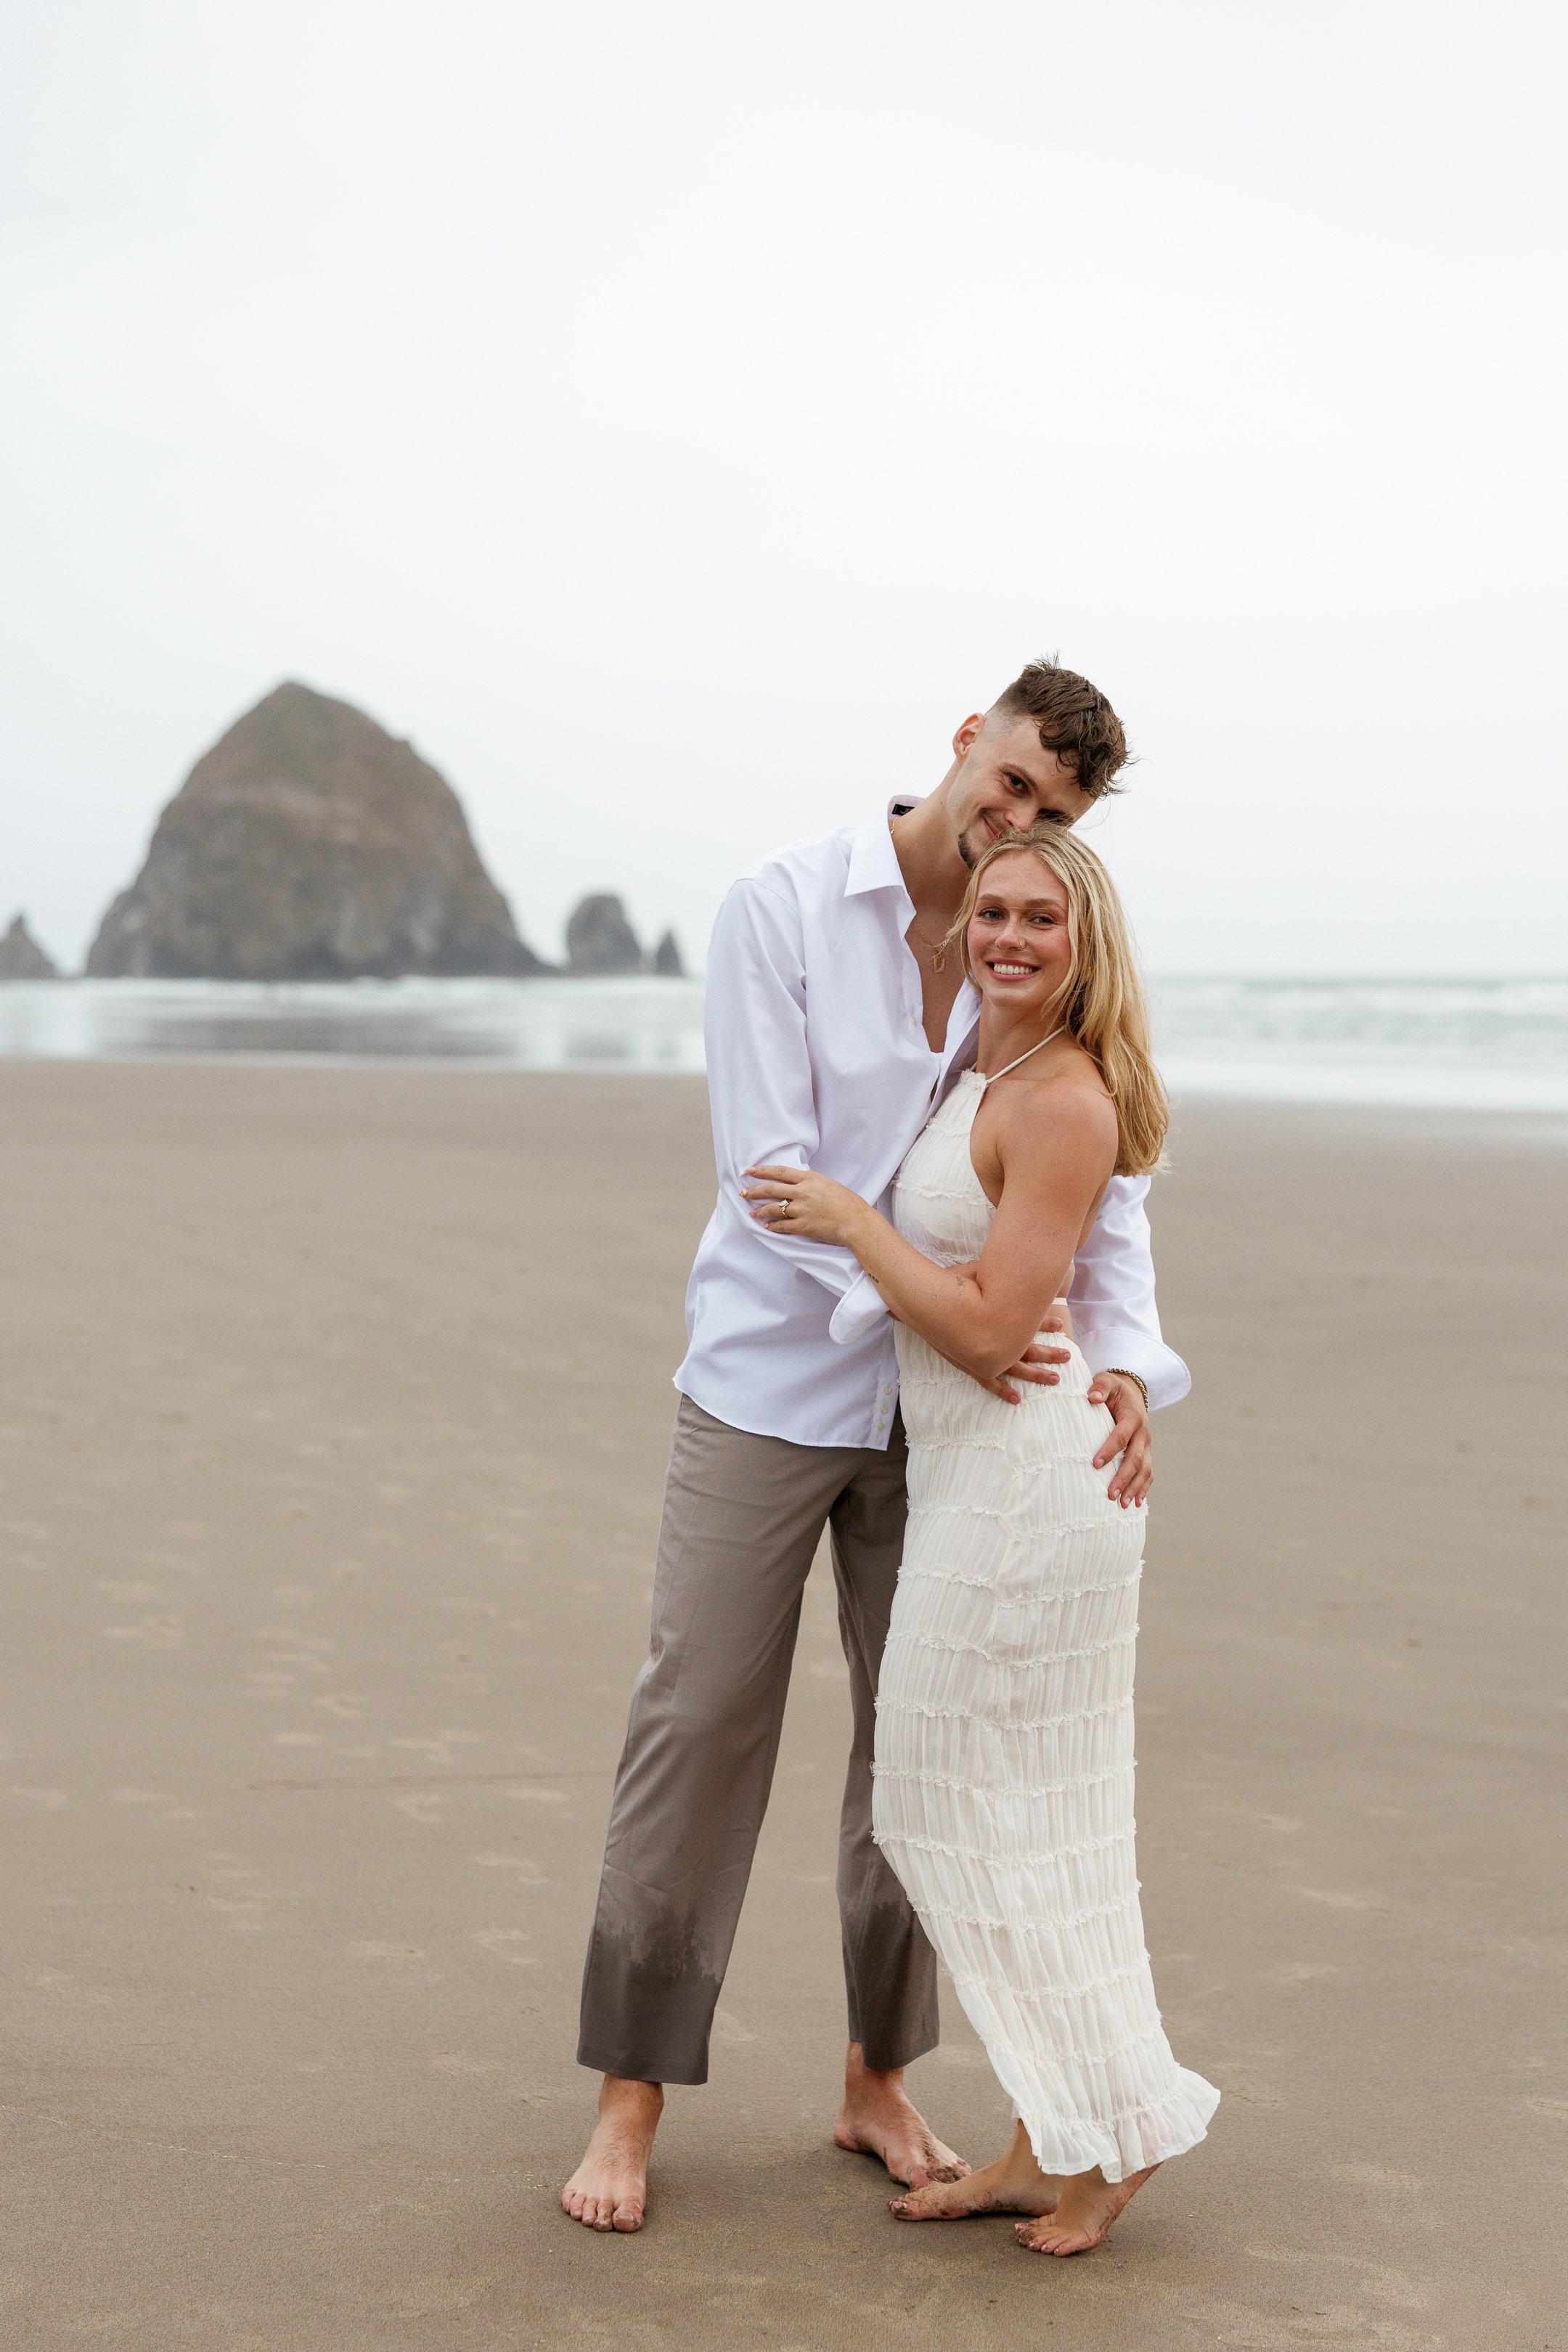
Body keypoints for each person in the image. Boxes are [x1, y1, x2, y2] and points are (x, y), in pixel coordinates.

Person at [561, 660, 1189, 2235]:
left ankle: (877, 2077)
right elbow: (773, 1179)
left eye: (1053, 814)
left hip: (950, 1424)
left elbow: (1095, 1189)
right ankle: (630, 2099)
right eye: (1013, 781)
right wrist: (955, 1311)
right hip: (772, 1384)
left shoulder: (1022, 938)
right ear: (965, 738)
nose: (1016, 825)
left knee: (908, 1751)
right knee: (699, 1717)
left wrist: (1118, 1363)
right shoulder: (778, 909)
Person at [740, 822, 1219, 2256]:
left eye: (1041, 921)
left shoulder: (1062, 1097)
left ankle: (1113, 2133)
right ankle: (1051, 2136)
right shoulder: (985, 1066)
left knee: (960, 1808)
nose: (1007, 935)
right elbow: (1030, 1287)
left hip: (1030, 1492)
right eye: (993, 910)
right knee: (1012, 1816)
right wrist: (1113, 1353)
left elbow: (999, 1329)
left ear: (1088, 948)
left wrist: (850, 1226)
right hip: (979, 1481)